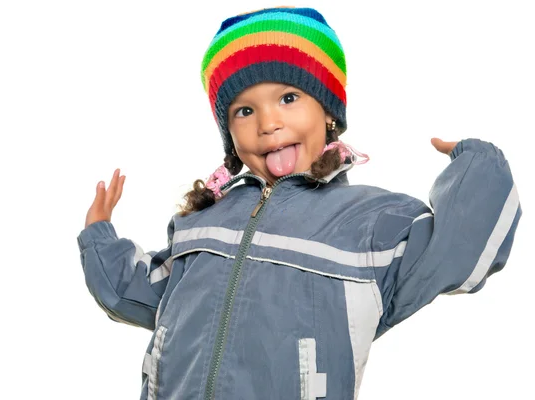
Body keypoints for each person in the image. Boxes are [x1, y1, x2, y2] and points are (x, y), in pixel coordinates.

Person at [76, 6, 522, 400]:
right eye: (244, 111)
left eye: (289, 98)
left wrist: (478, 163)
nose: (268, 123)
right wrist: (99, 235)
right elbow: (142, 296)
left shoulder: (372, 223)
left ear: (328, 112)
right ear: (229, 134)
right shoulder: (203, 220)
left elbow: (458, 254)